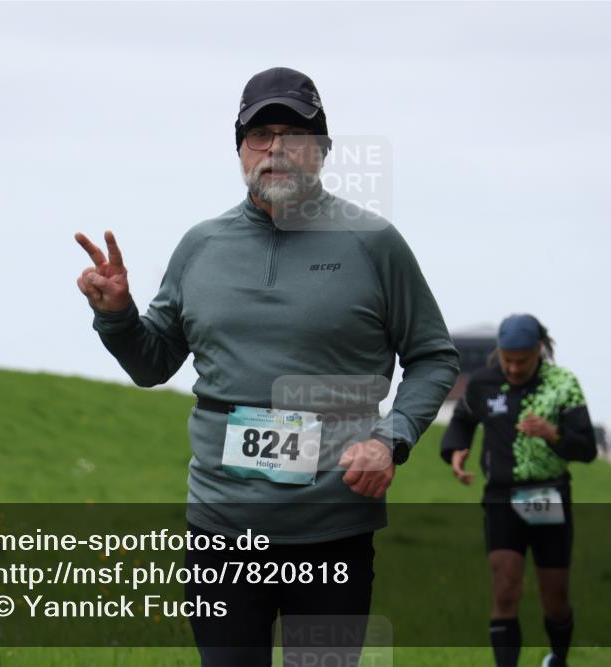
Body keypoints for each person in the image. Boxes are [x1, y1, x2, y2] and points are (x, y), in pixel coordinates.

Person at [75, 67, 460, 666]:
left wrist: (390, 441)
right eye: (259, 134)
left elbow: (433, 357)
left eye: (293, 134)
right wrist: (118, 315)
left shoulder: (374, 243)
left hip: (332, 528)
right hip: (222, 528)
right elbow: (153, 364)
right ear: (240, 150)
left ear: (322, 149)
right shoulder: (201, 246)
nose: (275, 148)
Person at [440, 314, 597, 667]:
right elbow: (462, 419)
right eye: (507, 359)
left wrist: (553, 434)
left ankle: (558, 658)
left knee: (555, 599)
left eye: (521, 361)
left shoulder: (563, 384)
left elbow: (587, 449)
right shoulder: (483, 383)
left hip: (548, 494)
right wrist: (456, 449)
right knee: (506, 587)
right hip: (502, 497)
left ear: (539, 350)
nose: (512, 368)